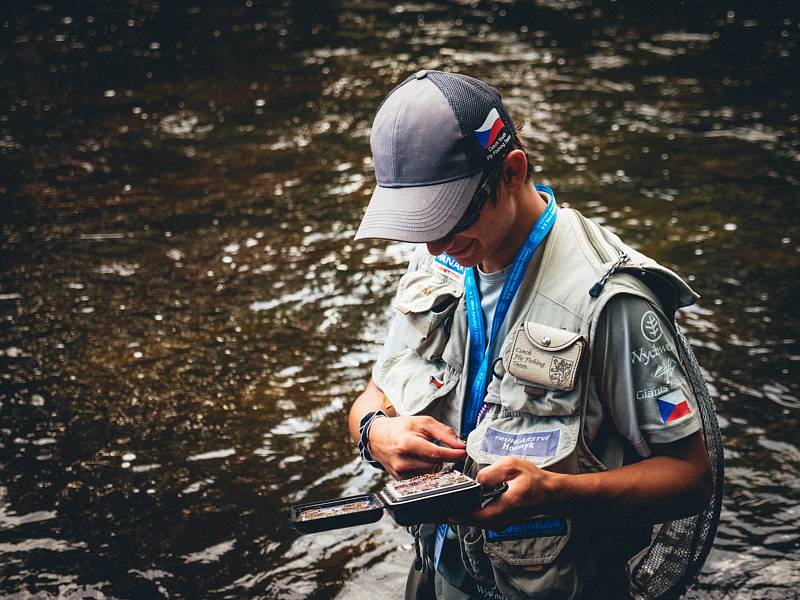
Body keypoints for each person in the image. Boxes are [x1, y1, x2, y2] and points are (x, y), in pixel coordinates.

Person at [347, 69, 713, 600]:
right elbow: (373, 396)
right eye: (420, 224)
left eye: (448, 218)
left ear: (512, 172)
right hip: (439, 573)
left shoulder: (611, 300)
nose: (433, 246)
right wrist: (375, 434)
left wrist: (558, 493)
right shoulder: (440, 259)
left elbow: (691, 477)